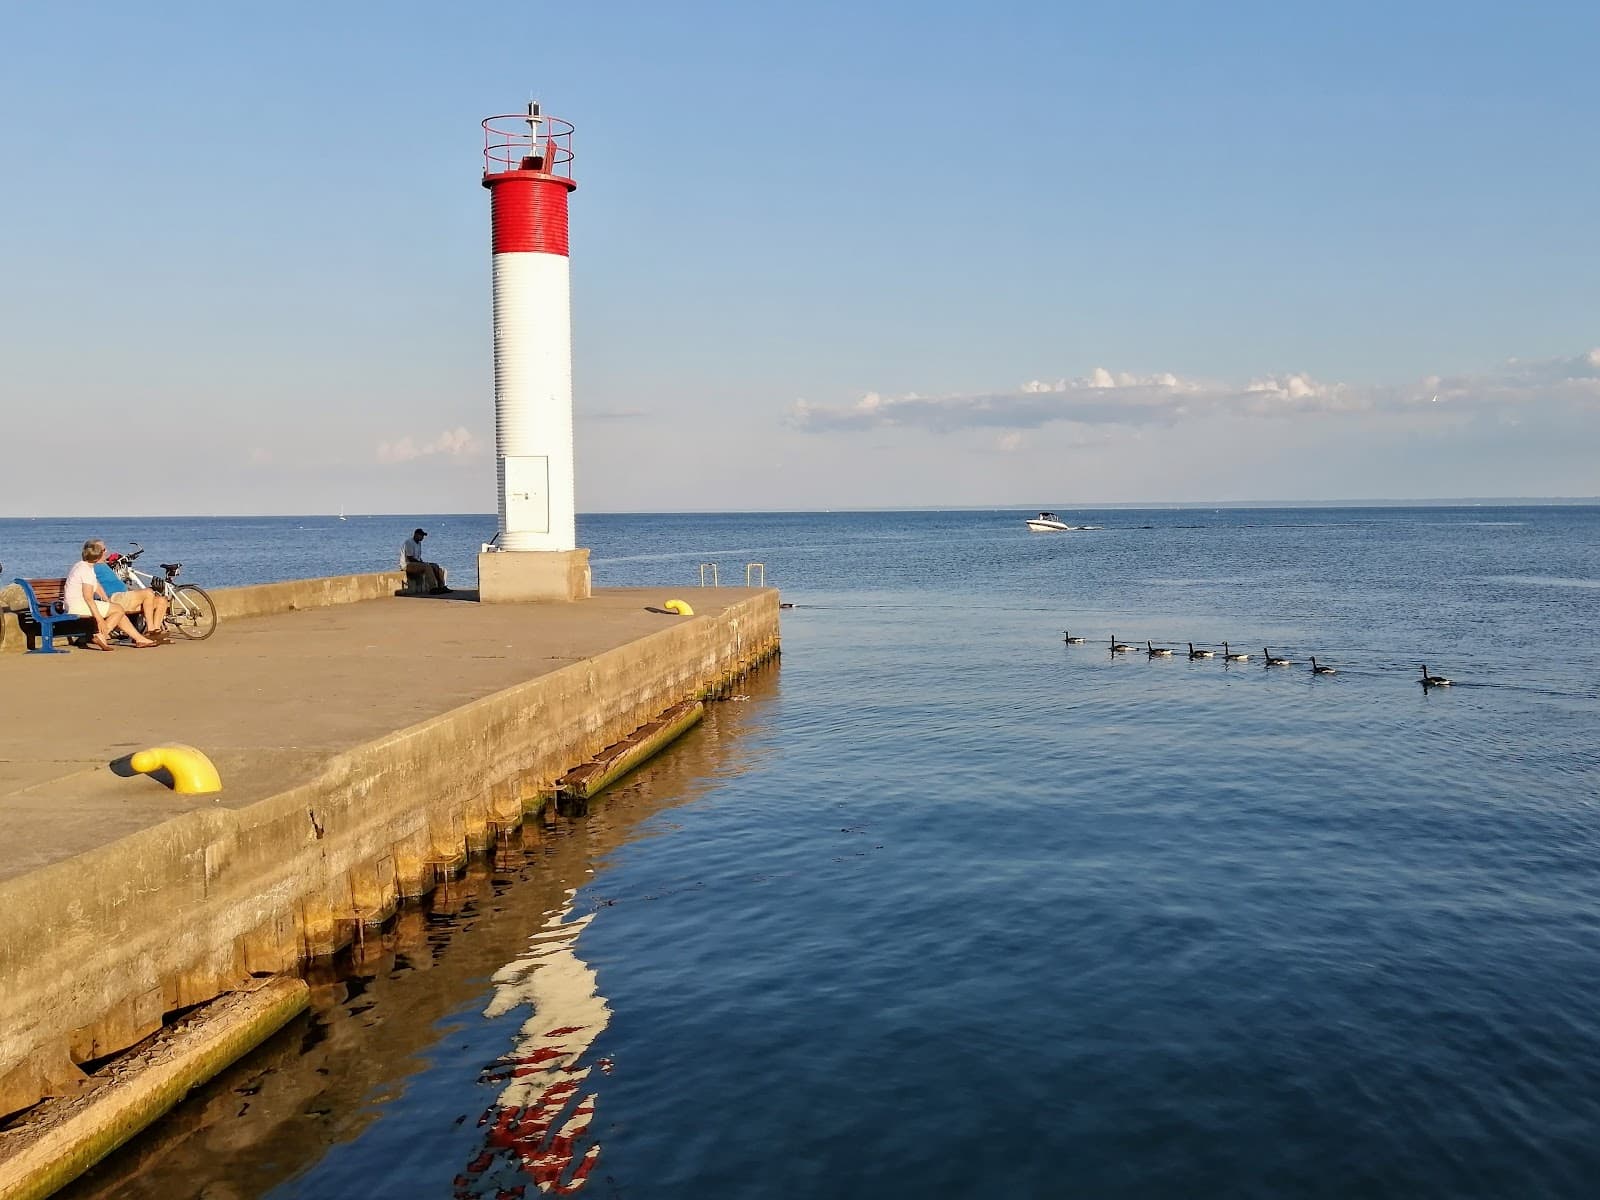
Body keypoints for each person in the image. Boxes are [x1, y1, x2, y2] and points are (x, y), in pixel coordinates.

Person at [64, 539, 160, 650]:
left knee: (117, 610)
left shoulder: (83, 566)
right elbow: (88, 598)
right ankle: (101, 635)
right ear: (98, 555)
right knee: (118, 610)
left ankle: (140, 639)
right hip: (78, 606)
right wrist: (99, 619)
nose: (106, 552)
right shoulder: (85, 570)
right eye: (103, 551)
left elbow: (97, 585)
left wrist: (106, 600)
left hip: (75, 604)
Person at [96, 550, 170, 637]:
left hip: (124, 597)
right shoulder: (92, 567)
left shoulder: (104, 565)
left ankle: (155, 633)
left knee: (162, 600)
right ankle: (151, 629)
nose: (106, 551)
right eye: (104, 550)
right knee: (148, 592)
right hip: (113, 598)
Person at [401, 527, 450, 594]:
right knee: (427, 567)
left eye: (423, 536)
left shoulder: (419, 544)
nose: (422, 537)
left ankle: (442, 586)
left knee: (435, 566)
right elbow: (410, 558)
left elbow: (418, 558)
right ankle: (433, 588)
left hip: (416, 564)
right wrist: (422, 564)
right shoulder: (409, 542)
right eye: (421, 535)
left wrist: (423, 562)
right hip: (407, 565)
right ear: (416, 535)